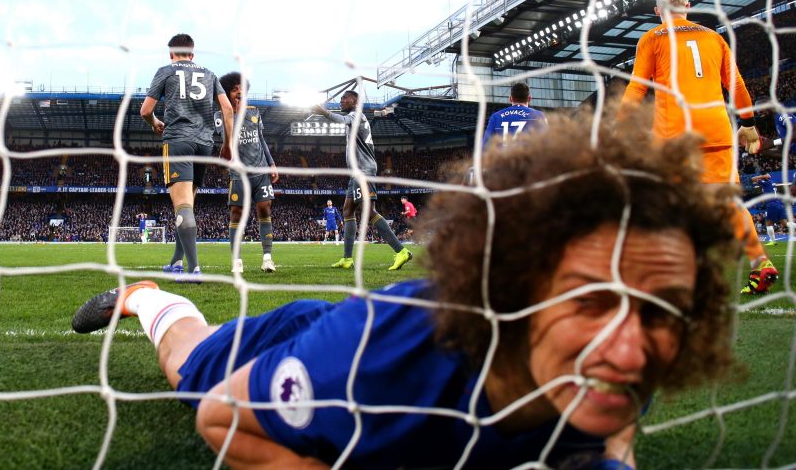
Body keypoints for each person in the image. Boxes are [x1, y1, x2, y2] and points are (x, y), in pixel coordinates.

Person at [72, 111, 739, 469]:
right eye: (588, 302)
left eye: (664, 311)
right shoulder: (377, 357)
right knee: (190, 363)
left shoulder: (637, 341)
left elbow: (616, 429)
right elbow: (220, 417)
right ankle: (149, 296)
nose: (628, 351)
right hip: (324, 348)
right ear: (508, 292)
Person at [619, 0, 778, 296]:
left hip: (675, 135)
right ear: (688, 6)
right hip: (716, 129)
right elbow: (737, 84)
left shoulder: (652, 38)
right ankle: (760, 262)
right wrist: (748, 123)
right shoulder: (713, 37)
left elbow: (636, 89)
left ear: (657, 12)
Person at [141, 34, 233, 278]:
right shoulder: (210, 74)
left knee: (182, 206)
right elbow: (228, 109)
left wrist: (154, 122)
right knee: (188, 206)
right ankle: (176, 261)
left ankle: (193, 269)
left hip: (178, 140)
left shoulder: (166, 71)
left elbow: (145, 110)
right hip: (205, 145)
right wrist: (227, 144)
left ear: (171, 53)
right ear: (192, 54)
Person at [313, 90, 412, 271]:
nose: (341, 101)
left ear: (355, 101)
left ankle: (401, 251)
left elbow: (342, 120)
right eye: (341, 98)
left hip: (363, 171)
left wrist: (324, 113)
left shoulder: (355, 115)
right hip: (356, 173)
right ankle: (347, 259)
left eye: (345, 98)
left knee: (368, 211)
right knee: (348, 210)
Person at [215, 72, 279, 274]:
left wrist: (272, 163)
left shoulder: (255, 112)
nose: (240, 93)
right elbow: (226, 143)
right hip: (238, 175)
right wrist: (231, 113)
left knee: (265, 209)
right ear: (227, 93)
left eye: (242, 89)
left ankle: (267, 259)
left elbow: (261, 139)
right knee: (236, 214)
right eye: (235, 90)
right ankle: (237, 261)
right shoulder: (220, 116)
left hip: (260, 172)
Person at [481, 81, 547, 148]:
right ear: (529, 98)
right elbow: (546, 142)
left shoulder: (496, 116)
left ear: (510, 98)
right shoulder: (538, 116)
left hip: (503, 157)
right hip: (527, 157)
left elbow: (485, 144)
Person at [751, 173, 787, 245]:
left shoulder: (765, 183)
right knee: (785, 223)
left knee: (768, 224)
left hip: (771, 205)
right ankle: (773, 241)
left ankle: (773, 241)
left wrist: (762, 176)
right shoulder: (772, 182)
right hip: (779, 204)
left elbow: (753, 179)